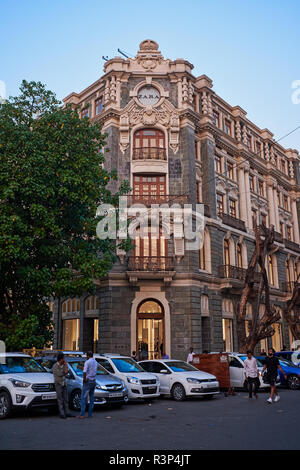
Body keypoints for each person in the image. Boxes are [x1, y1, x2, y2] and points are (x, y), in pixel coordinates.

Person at [52, 353, 73, 419]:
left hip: (64, 383)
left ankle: (67, 412)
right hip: (58, 384)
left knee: (65, 399)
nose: (64, 360)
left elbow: (66, 373)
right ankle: (62, 413)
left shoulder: (64, 365)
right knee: (60, 399)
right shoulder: (55, 366)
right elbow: (60, 374)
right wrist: (65, 371)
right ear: (61, 359)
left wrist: (66, 366)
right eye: (64, 358)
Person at [77, 351, 98, 418]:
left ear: (87, 356)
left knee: (83, 397)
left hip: (88, 381)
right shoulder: (95, 362)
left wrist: (84, 379)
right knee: (91, 397)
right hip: (93, 380)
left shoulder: (87, 362)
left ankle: (82, 414)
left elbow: (85, 372)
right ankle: (90, 414)